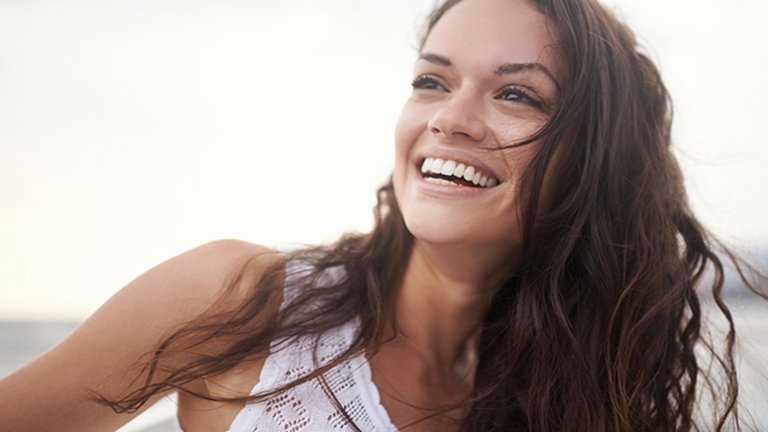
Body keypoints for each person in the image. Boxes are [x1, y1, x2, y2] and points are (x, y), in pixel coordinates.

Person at [0, 0, 764, 430]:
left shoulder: (573, 404)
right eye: (433, 81)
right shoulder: (240, 299)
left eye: (516, 93)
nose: (451, 119)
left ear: (591, 164)